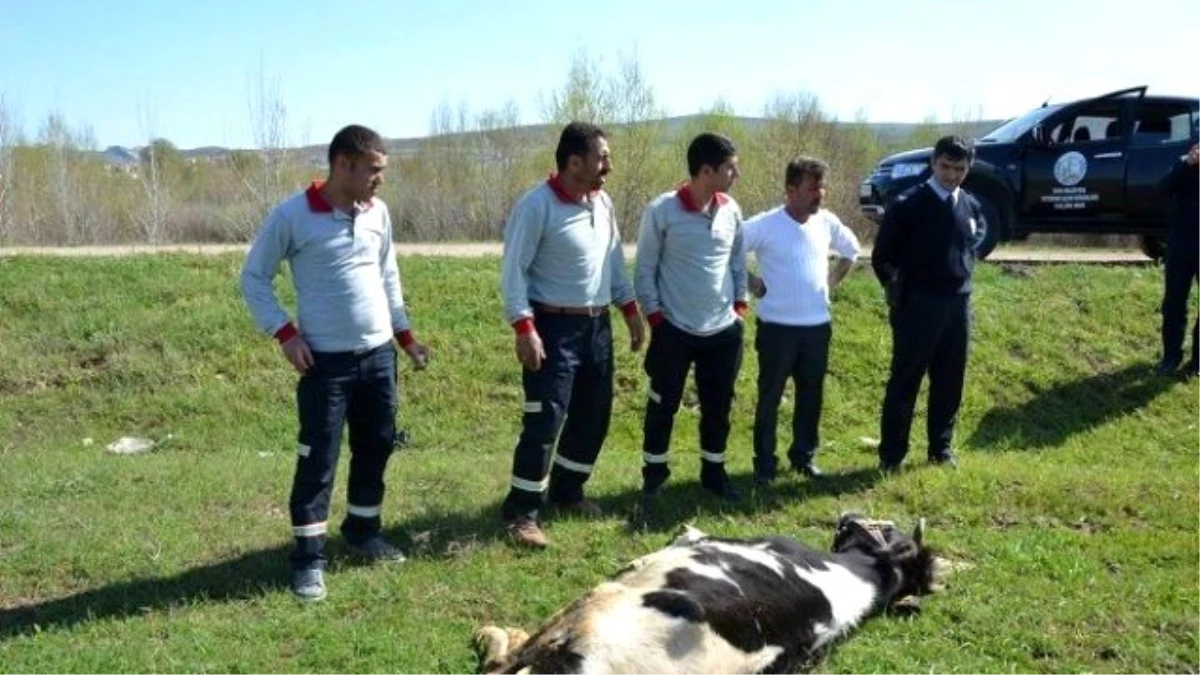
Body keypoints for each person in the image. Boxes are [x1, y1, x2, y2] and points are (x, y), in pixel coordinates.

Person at [240, 124, 431, 602]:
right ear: (343, 164)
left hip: (378, 358)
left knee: (377, 445)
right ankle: (308, 561)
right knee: (319, 460)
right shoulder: (292, 215)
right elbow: (254, 278)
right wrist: (284, 334)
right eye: (373, 169)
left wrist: (404, 337)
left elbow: (388, 275)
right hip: (325, 365)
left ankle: (364, 531)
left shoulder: (378, 213)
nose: (380, 179)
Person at [499, 121, 645, 549]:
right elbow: (513, 272)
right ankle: (521, 512)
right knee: (545, 420)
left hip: (596, 326)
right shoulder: (536, 206)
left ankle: (567, 492)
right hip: (552, 327)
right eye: (602, 158)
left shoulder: (603, 204)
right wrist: (524, 328)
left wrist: (631, 311)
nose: (609, 166)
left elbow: (614, 263)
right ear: (574, 161)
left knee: (593, 415)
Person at [635, 132, 749, 502]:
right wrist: (656, 320)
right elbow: (645, 269)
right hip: (674, 330)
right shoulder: (662, 210)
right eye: (731, 167)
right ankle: (654, 474)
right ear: (706, 170)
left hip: (722, 330)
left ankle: (713, 474)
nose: (736, 174)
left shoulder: (731, 209)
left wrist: (739, 308)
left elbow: (737, 262)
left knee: (718, 408)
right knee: (662, 406)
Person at [742, 156, 860, 485]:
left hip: (816, 328)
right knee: (770, 396)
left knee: (811, 395)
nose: (820, 194)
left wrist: (831, 283)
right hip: (777, 329)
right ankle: (765, 463)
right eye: (813, 187)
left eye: (822, 187)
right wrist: (752, 283)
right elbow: (728, 250)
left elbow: (851, 251)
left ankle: (803, 457)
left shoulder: (827, 222)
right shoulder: (766, 224)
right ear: (791, 190)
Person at [871, 135, 985, 473]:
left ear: (969, 168)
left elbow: (971, 247)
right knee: (906, 380)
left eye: (959, 169)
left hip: (957, 304)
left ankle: (941, 448)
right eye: (945, 166)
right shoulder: (908, 204)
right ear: (933, 163)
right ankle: (892, 455)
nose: (951, 175)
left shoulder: (971, 205)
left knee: (950, 379)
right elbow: (882, 258)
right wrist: (900, 296)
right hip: (918, 305)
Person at [1155, 141, 1200, 377]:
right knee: (1173, 303)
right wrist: (1187, 164)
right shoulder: (1183, 164)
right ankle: (1170, 357)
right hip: (1180, 243)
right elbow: (1162, 188)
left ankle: (1198, 362)